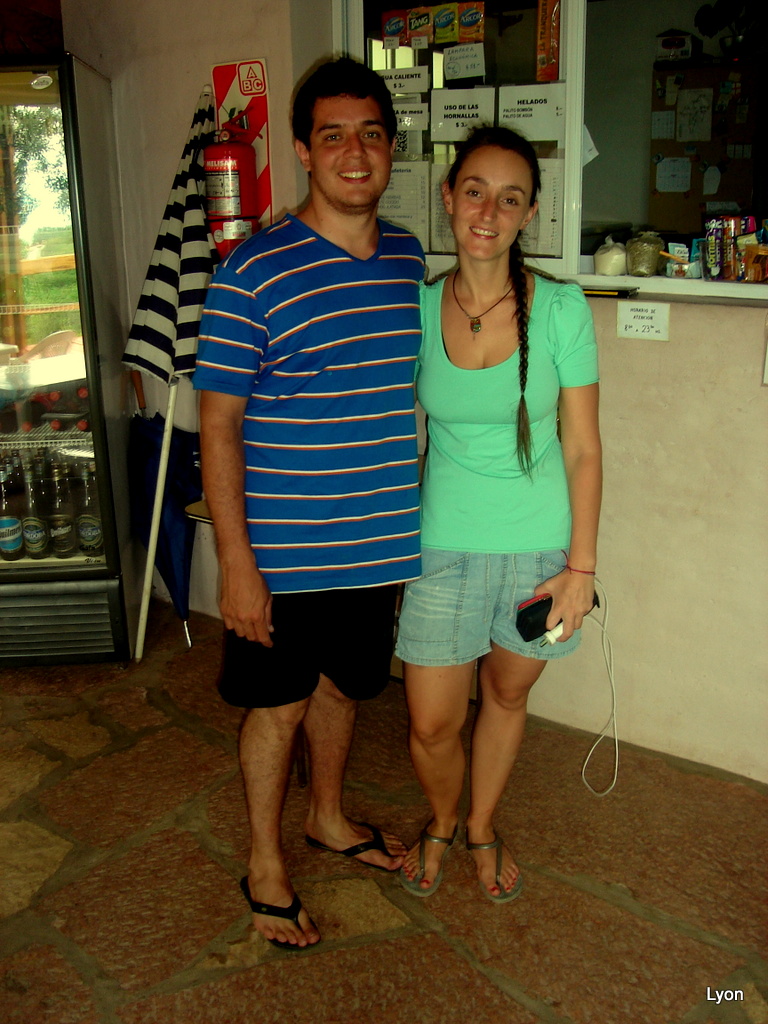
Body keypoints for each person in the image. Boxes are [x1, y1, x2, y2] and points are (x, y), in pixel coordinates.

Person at [193, 58, 425, 948]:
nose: (354, 153)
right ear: (302, 150)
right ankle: (264, 861)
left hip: (374, 545)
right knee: (278, 706)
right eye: (333, 136)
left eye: (371, 134)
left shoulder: (407, 258)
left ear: (391, 147)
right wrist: (237, 564)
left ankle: (327, 816)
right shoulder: (252, 271)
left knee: (343, 690)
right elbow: (218, 426)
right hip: (283, 555)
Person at [395, 126, 601, 903]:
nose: (489, 212)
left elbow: (583, 448)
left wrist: (581, 569)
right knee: (430, 724)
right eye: (475, 191)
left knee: (508, 695)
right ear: (449, 198)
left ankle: (479, 824)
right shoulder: (417, 308)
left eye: (510, 199)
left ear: (529, 214)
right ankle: (443, 816)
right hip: (441, 542)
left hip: (539, 549)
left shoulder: (561, 309)